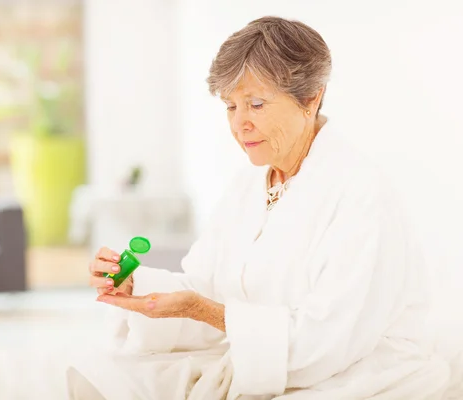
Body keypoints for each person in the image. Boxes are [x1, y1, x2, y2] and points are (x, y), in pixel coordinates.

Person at [66, 16, 451, 399]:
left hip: (358, 370)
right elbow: (204, 285)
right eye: (231, 107)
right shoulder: (247, 186)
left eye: (255, 104)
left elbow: (326, 342)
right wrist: (137, 284)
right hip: (265, 362)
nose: (240, 124)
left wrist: (205, 311)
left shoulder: (362, 194)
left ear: (311, 98)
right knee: (107, 376)